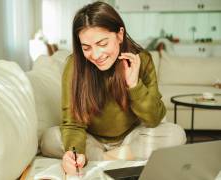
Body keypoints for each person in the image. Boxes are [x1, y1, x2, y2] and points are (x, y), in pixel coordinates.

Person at [40, 1, 186, 175]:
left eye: (102, 44)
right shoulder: (74, 66)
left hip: (131, 137)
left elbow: (154, 118)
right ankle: (115, 157)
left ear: (119, 35)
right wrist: (75, 154)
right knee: (49, 139)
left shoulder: (142, 60)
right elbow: (72, 123)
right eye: (86, 47)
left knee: (176, 134)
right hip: (91, 139)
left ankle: (101, 159)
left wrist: (134, 85)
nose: (95, 55)